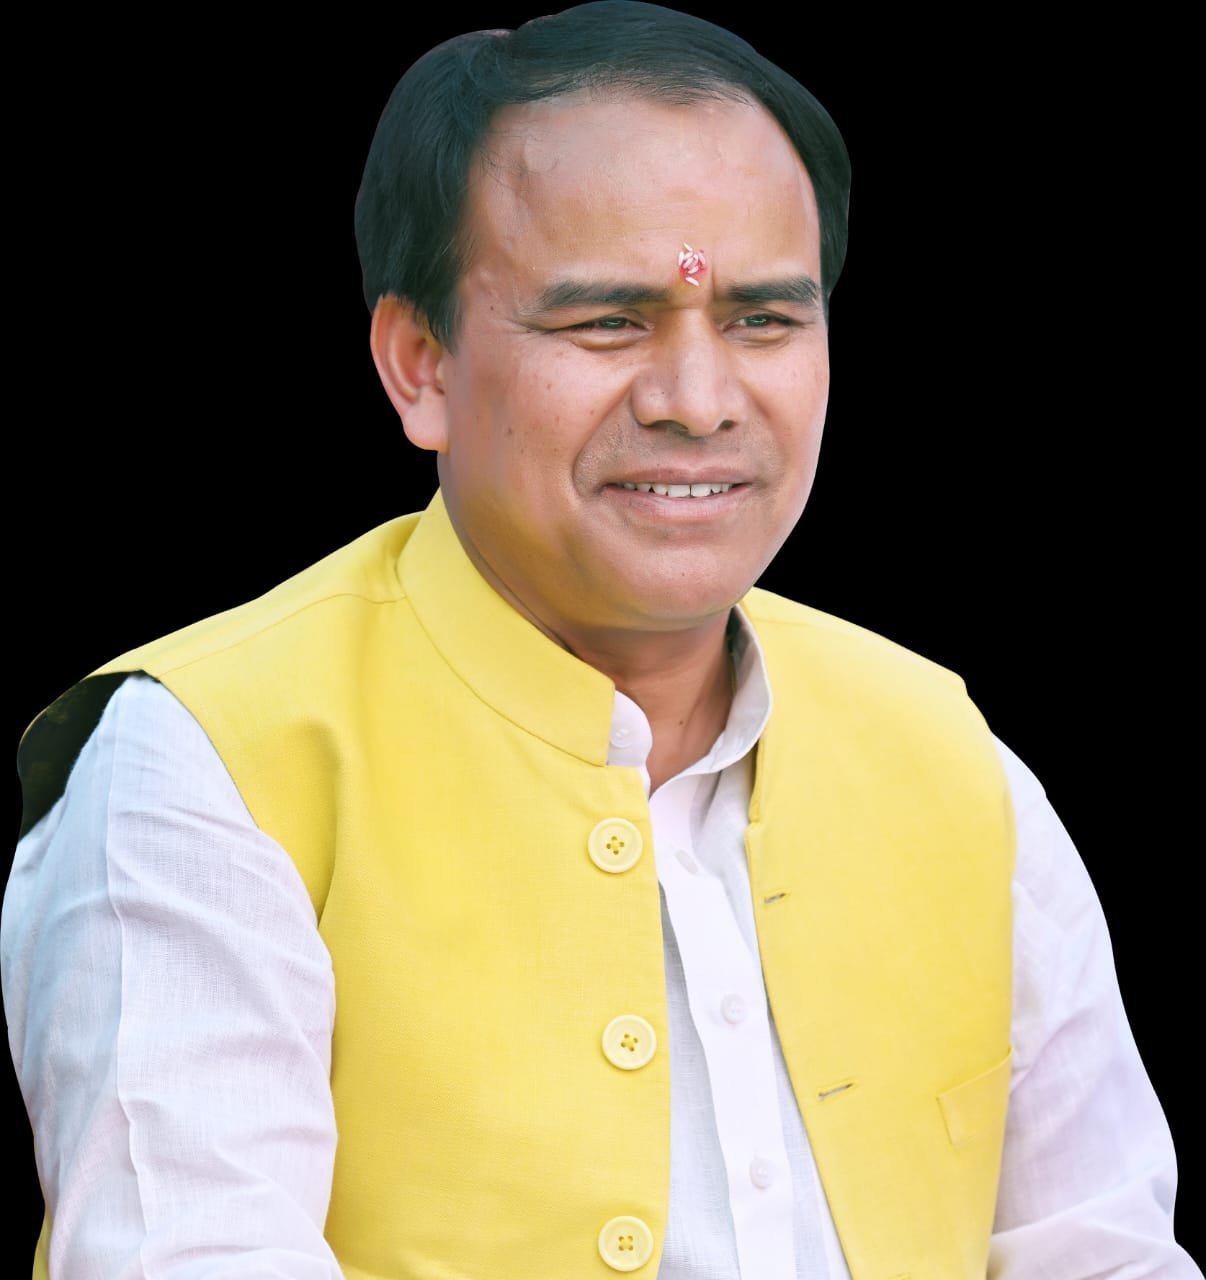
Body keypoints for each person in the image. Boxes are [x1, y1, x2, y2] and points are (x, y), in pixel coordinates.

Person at [3, 4, 1199, 1277]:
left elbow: (1105, 1250)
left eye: (763, 320)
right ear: (421, 365)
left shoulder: (950, 760)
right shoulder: (207, 765)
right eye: (609, 323)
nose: (698, 401)